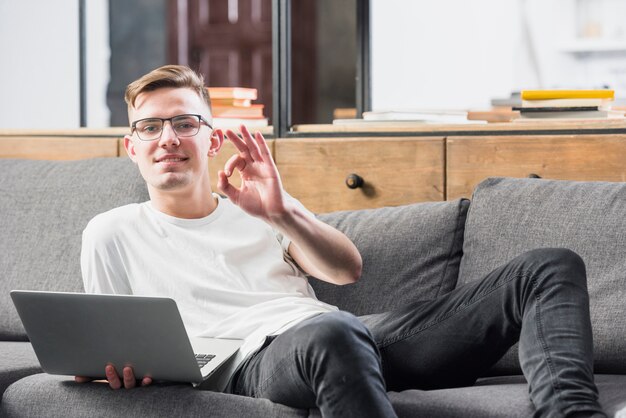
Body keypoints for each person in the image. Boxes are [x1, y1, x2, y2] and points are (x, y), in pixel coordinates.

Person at [76, 64, 605, 418]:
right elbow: (109, 348)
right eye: (150, 127)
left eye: (184, 123)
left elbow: (345, 270)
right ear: (131, 146)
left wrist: (282, 211)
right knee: (332, 332)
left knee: (548, 267)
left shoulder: (259, 201)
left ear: (212, 139)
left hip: (349, 337)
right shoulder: (112, 232)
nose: (167, 138)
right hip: (248, 365)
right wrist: (116, 373)